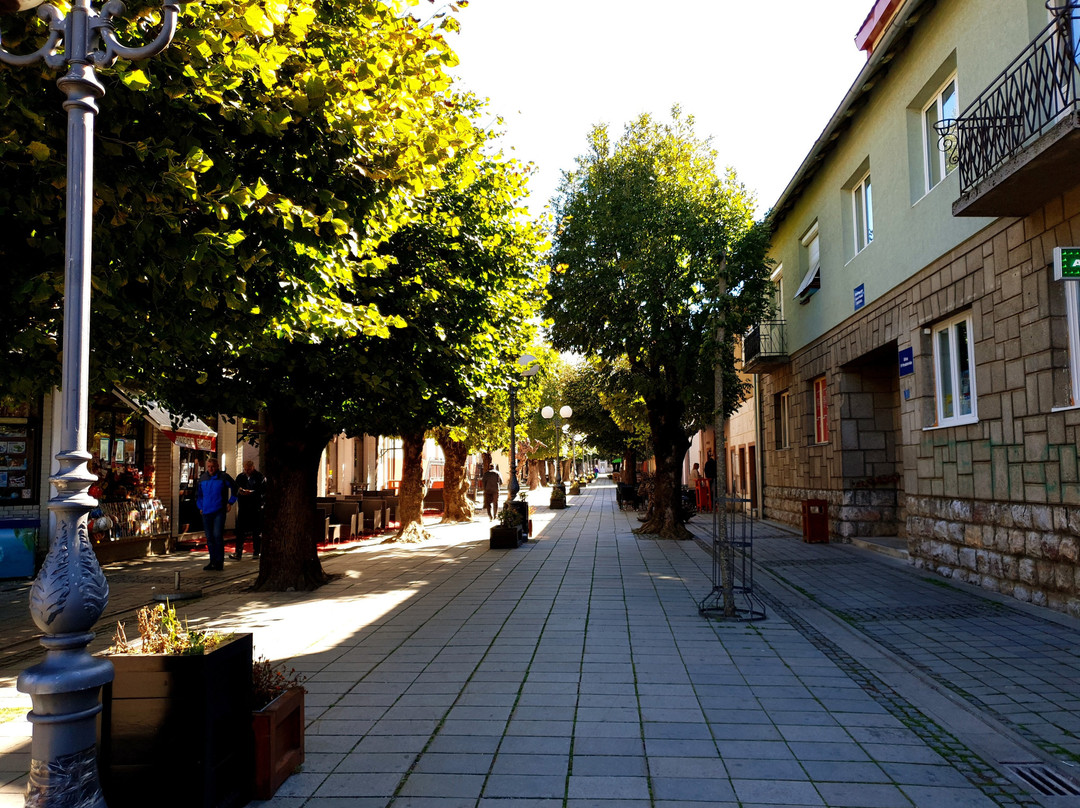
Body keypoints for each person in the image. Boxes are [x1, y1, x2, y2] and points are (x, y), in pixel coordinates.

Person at [196, 457, 236, 570]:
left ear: (217, 466)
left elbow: (235, 488)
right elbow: (198, 495)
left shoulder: (224, 477)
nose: (211, 469)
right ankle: (212, 561)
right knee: (209, 538)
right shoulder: (203, 478)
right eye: (208, 467)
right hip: (206, 511)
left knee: (217, 535)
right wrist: (200, 506)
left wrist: (230, 502)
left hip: (219, 511)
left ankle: (219, 562)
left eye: (212, 466)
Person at [232, 459, 265, 560]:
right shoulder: (241, 477)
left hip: (255, 507)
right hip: (243, 507)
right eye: (245, 469)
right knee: (240, 530)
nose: (247, 471)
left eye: (249, 469)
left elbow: (263, 491)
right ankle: (238, 552)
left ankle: (256, 551)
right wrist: (240, 492)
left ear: (253, 468)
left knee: (256, 530)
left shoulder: (259, 477)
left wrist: (253, 493)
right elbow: (235, 488)